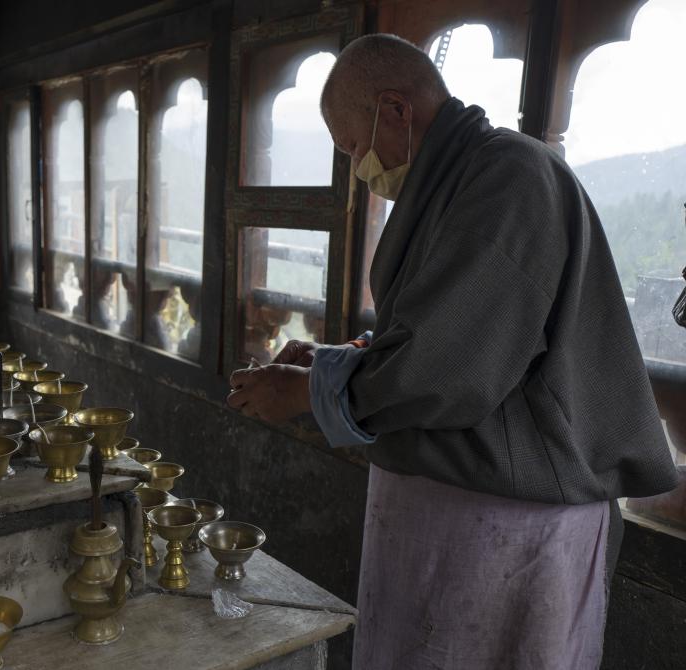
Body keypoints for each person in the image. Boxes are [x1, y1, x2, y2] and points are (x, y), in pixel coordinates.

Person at [226, 34, 679, 669]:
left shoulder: (509, 177)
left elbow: (450, 366)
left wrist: (310, 391)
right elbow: (434, 324)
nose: (360, 170)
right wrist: (342, 355)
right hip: (458, 514)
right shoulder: (455, 179)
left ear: (396, 110)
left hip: (516, 526)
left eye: (355, 148)